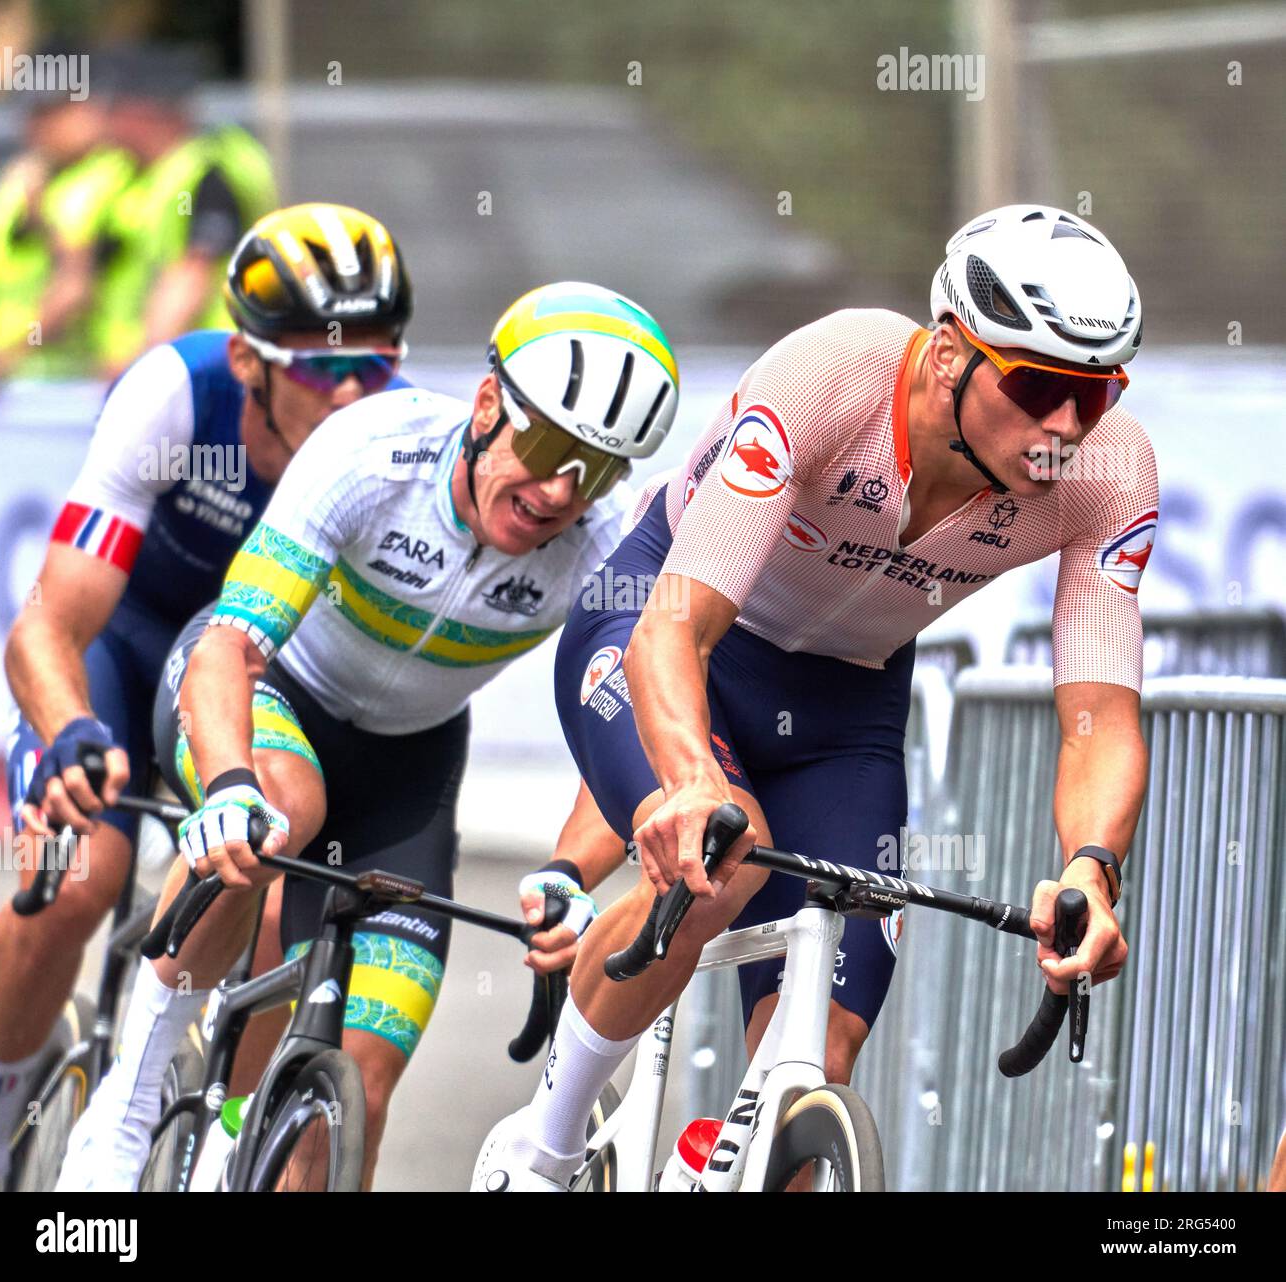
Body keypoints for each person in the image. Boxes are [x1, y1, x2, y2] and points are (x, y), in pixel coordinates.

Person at [472, 204, 1158, 1191]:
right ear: (949, 352)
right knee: (725, 857)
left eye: (1093, 397)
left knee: (815, 1072)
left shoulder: (1108, 469)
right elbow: (675, 628)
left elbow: (1098, 715)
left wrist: (1090, 867)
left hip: (848, 710)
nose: (1064, 426)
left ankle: (729, 1159)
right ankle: (544, 1139)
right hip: (672, 634)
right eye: (1040, 386)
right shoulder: (833, 375)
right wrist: (689, 784)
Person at [56, 280, 679, 1191]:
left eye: (598, 470)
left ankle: (243, 1135)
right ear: (486, 405)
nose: (558, 492)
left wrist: (570, 871)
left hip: (407, 769)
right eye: (548, 447)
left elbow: (621, 725)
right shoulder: (372, 451)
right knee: (281, 810)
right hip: (268, 696)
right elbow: (231, 645)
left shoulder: (606, 542)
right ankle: (134, 1096)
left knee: (368, 1084)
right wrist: (227, 782)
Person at [0, 203, 411, 1192]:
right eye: (317, 365)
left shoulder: (396, 447)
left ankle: (219, 1134)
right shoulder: (178, 396)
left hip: (258, 692)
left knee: (267, 882)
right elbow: (47, 624)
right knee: (81, 875)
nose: (350, 392)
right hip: (128, 654)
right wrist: (65, 733)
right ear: (249, 358)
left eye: (376, 367)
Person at [90, 45, 276, 377]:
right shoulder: (145, 176)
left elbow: (191, 275)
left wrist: (141, 365)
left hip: (211, 362)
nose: (105, 122)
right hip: (181, 361)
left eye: (114, 109)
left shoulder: (207, 172)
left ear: (144, 112)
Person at [0, 52, 133, 384]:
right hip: (8, 382)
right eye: (35, 115)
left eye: (53, 114)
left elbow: (75, 286)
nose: (39, 127)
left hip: (70, 374)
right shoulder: (22, 177)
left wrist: (6, 356)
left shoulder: (111, 176)